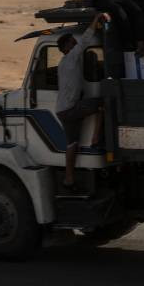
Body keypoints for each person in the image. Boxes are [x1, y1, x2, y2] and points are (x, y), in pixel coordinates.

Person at [55, 12, 110, 193]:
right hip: (71, 109)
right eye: (72, 42)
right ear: (66, 48)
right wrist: (96, 20)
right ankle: (95, 137)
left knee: (72, 144)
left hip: (63, 110)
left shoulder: (64, 63)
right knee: (102, 103)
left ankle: (68, 178)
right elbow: (86, 39)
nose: (75, 44)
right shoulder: (71, 58)